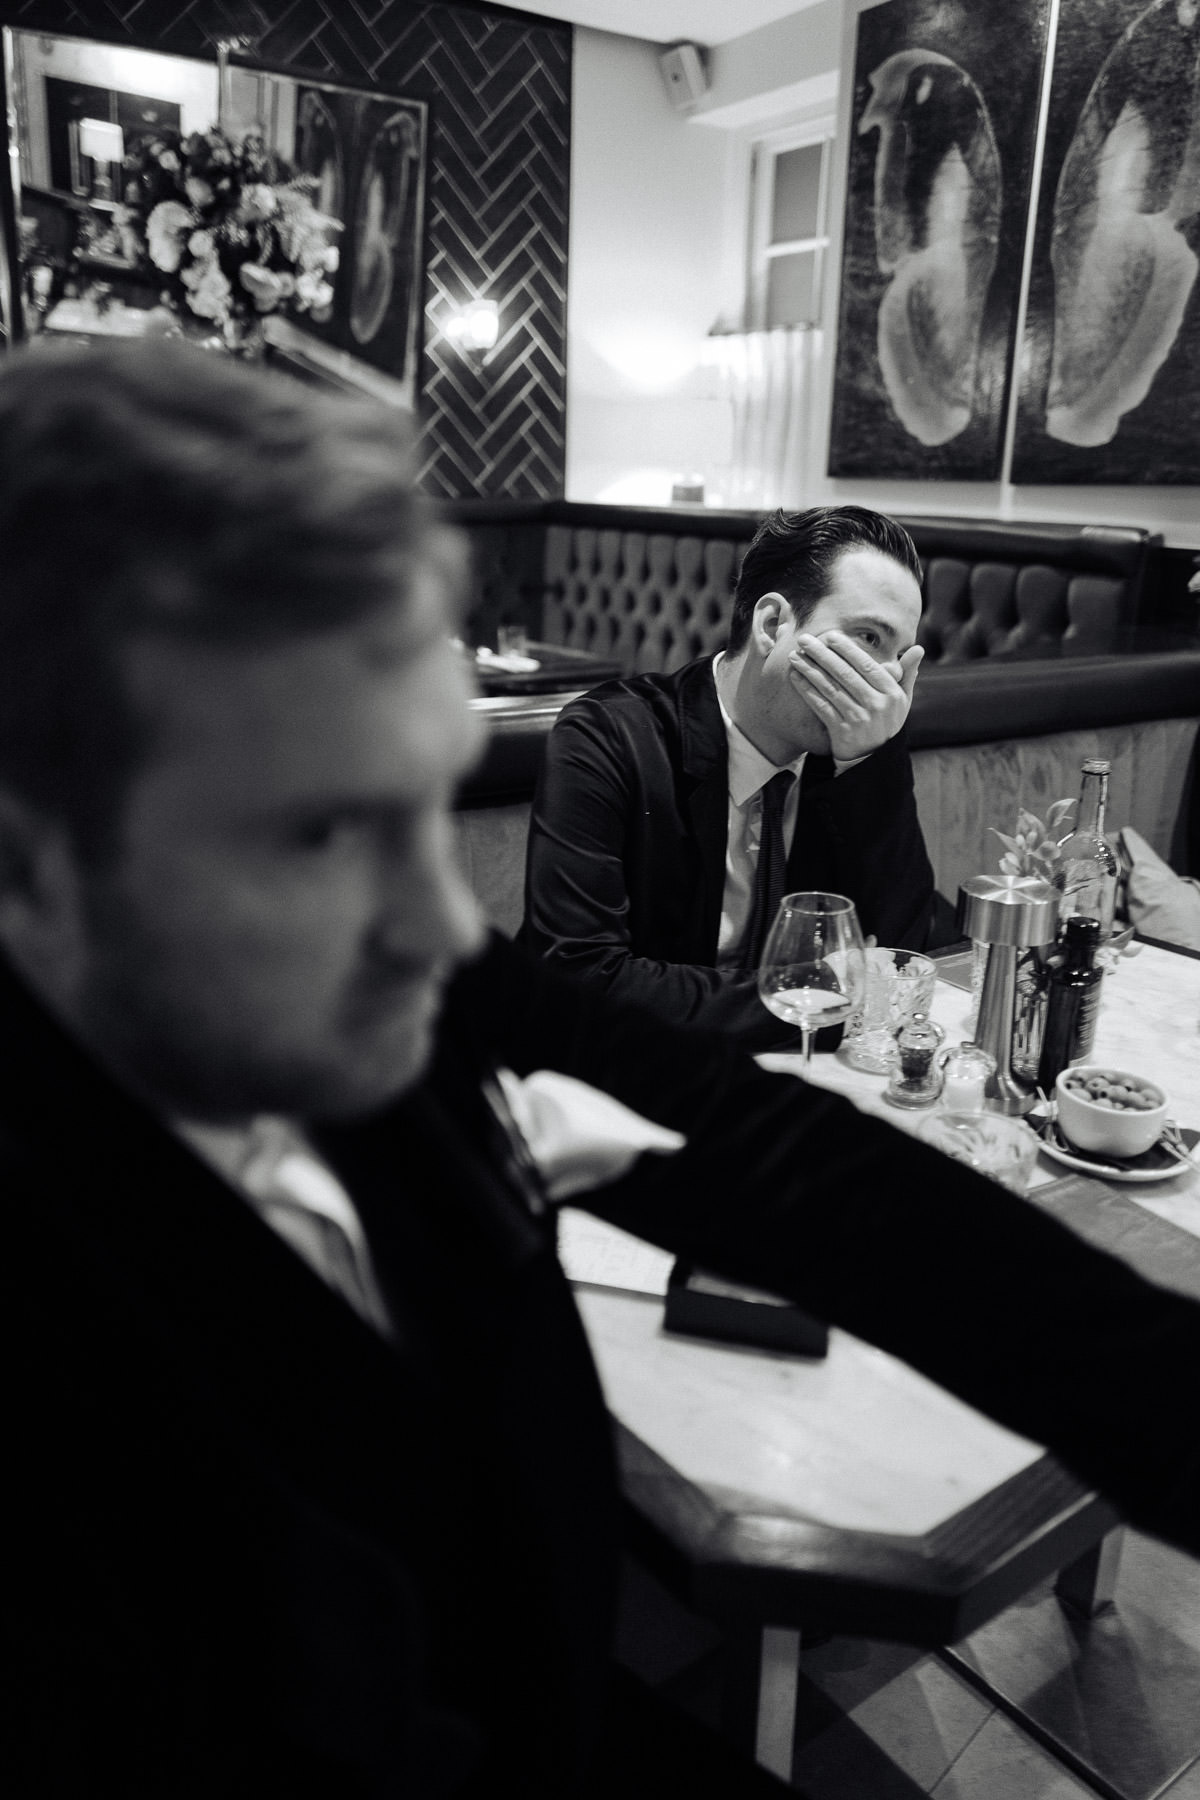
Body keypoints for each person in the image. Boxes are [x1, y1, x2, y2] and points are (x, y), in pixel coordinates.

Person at [4, 342, 1199, 1800]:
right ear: (30, 867)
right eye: (321, 833)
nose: (448, 926)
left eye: (423, 801)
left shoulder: (376, 981)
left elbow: (781, 1160)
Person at [519, 506, 938, 1048]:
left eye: (899, 655)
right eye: (868, 638)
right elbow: (581, 978)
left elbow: (900, 965)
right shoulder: (610, 736)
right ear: (772, 625)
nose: (883, 681)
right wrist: (815, 994)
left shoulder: (850, 758)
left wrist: (871, 760)